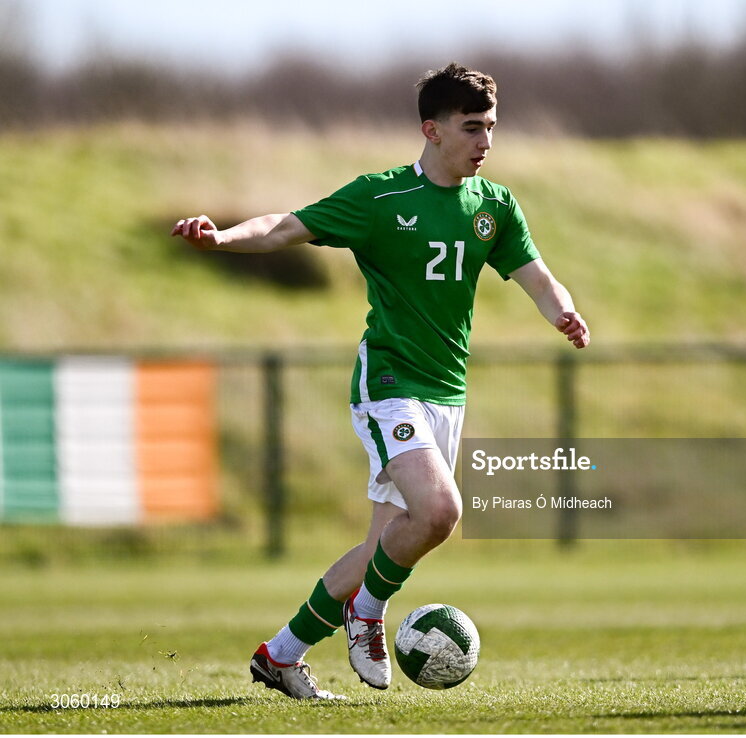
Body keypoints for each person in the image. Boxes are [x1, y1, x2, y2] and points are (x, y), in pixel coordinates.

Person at [172, 62, 590, 699]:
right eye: (472, 128)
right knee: (441, 510)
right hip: (388, 380)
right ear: (432, 130)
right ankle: (366, 614)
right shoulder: (381, 198)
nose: (486, 142)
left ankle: (280, 655)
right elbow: (285, 226)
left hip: (446, 393)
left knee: (382, 547)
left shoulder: (494, 206)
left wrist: (561, 309)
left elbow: (536, 275)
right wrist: (222, 237)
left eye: (492, 128)